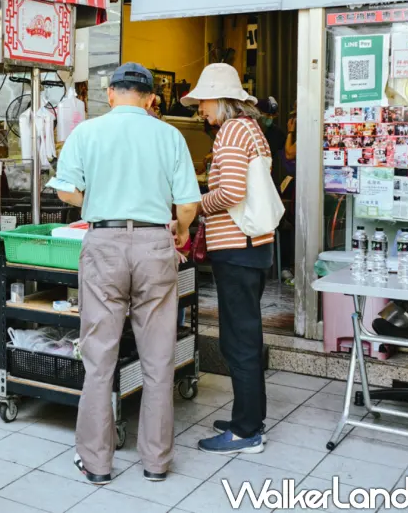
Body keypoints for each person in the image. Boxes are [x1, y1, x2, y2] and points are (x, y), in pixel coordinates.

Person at [49, 63, 201, 484]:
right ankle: (156, 462)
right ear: (151, 98)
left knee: (99, 359)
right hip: (155, 244)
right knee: (158, 359)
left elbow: (64, 188)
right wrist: (182, 231)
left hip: (105, 243)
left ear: (111, 93)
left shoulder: (87, 132)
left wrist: (95, 199)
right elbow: (187, 203)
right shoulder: (169, 135)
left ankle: (97, 464)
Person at [180, 63, 275, 455]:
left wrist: (195, 206)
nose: (200, 108)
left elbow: (232, 192)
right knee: (246, 335)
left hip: (237, 247)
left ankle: (245, 432)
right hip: (252, 245)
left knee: (239, 340)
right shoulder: (251, 129)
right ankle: (249, 418)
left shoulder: (233, 131)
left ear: (221, 99)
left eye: (203, 101)